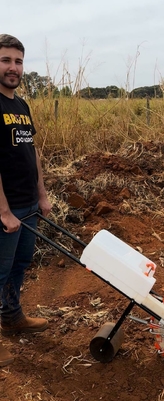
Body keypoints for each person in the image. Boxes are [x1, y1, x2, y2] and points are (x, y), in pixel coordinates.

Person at [0, 34, 52, 367]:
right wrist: (4, 211)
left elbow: (32, 153)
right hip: (6, 208)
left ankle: (12, 316)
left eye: (18, 61)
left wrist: (42, 195)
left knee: (20, 265)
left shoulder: (21, 105)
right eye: (6, 60)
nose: (13, 67)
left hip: (29, 204)